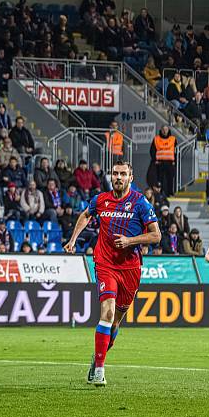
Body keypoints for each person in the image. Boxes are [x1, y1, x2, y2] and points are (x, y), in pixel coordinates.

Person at [64, 161, 160, 387]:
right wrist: (73, 239)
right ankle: (99, 370)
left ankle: (98, 357)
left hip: (130, 268)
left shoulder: (140, 203)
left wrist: (130, 241)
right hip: (105, 263)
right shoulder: (100, 199)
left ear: (131, 177)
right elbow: (86, 215)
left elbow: (156, 236)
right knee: (106, 313)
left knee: (115, 323)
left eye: (123, 174)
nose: (118, 177)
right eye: (115, 173)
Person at [150, 125, 176, 196]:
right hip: (160, 162)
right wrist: (155, 160)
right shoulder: (156, 139)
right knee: (159, 179)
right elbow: (152, 150)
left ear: (168, 130)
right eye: (163, 129)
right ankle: (160, 193)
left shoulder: (173, 139)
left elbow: (176, 151)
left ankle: (170, 193)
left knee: (170, 179)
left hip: (170, 162)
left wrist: (175, 161)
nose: (165, 131)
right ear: (161, 130)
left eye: (166, 129)